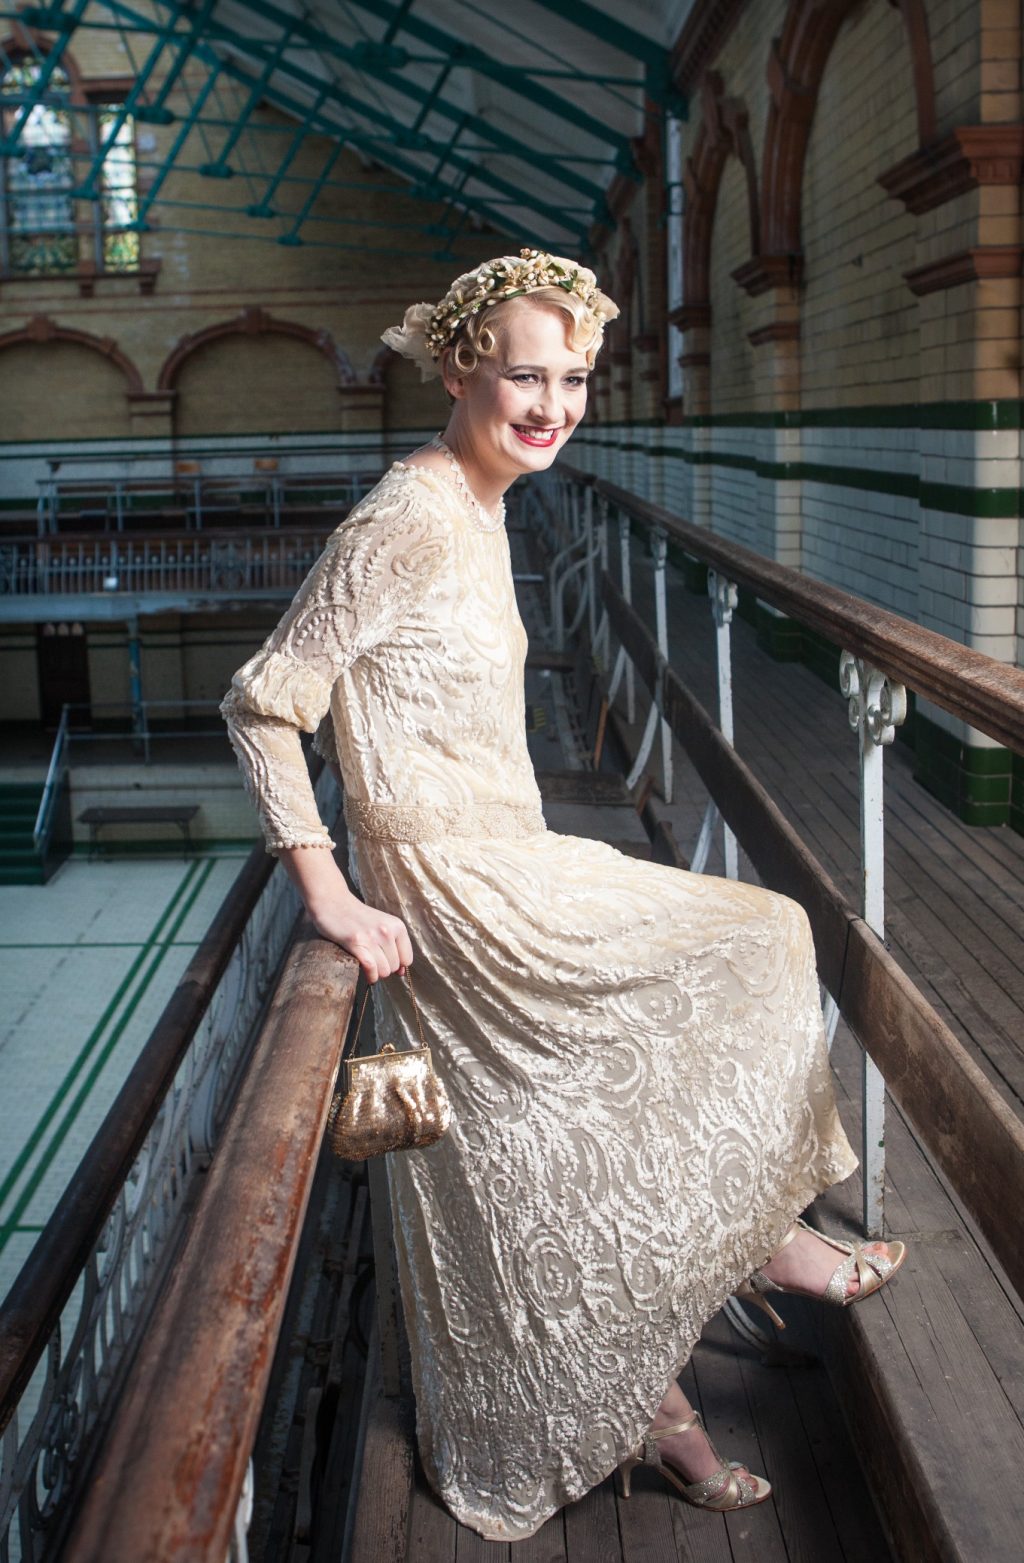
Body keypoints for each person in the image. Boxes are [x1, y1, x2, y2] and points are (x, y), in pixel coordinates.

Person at [219, 248, 905, 1542]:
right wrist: (325, 890)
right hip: (456, 886)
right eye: (525, 374)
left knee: (549, 1159)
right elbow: (264, 700)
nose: (552, 403)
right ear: (463, 369)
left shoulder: (487, 502)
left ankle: (658, 1414)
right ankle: (762, 1235)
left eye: (574, 378)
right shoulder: (408, 515)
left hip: (510, 851)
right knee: (763, 935)